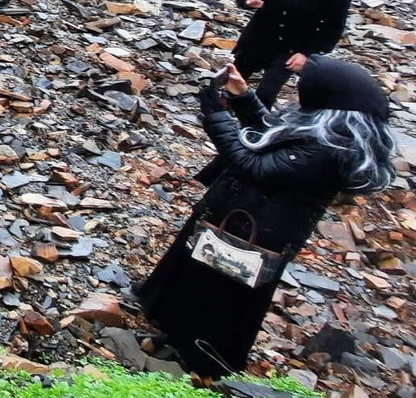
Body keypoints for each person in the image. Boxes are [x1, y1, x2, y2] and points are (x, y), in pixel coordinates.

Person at [136, 56, 396, 377]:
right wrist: (244, 97)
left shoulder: (329, 150)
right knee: (201, 277)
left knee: (221, 295)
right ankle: (174, 334)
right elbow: (271, 133)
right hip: (242, 217)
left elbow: (253, 164)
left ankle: (202, 360)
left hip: (259, 234)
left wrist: (216, 114)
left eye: (304, 88)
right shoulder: (325, 128)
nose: (297, 92)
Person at [233, 0, 350, 107]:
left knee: (266, 93)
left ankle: (254, 127)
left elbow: (332, 30)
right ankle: (218, 114)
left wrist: (306, 53)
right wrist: (248, 2)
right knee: (233, 81)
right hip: (258, 39)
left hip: (291, 49)